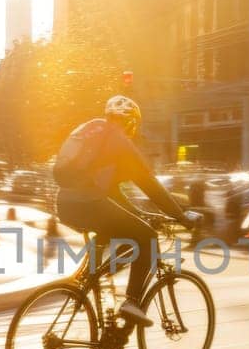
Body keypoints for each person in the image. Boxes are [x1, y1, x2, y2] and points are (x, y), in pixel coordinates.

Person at [53, 95, 200, 327]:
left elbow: (111, 194)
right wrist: (180, 216)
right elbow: (149, 185)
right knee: (147, 237)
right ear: (131, 122)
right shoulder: (119, 142)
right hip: (88, 203)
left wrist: (138, 215)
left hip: (66, 203)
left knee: (123, 231)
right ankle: (131, 302)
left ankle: (91, 281)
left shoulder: (95, 136)